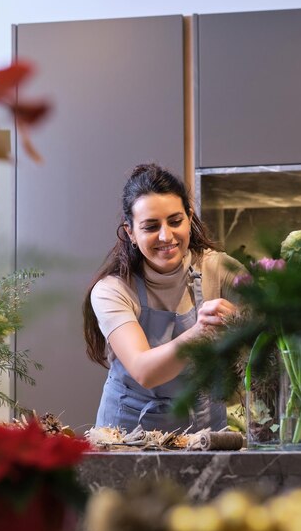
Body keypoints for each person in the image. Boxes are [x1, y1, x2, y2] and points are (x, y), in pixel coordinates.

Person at [83, 164, 243, 433]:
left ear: (190, 218)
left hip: (204, 431)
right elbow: (145, 371)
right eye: (151, 226)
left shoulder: (219, 270)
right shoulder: (112, 290)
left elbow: (273, 323)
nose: (166, 236)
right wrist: (201, 332)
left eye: (175, 221)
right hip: (128, 435)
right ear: (131, 232)